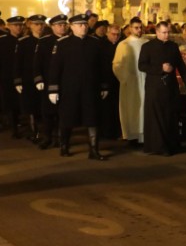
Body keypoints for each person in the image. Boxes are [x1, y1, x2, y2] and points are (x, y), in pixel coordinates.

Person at [47, 14, 112, 160]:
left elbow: (102, 67)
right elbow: (55, 68)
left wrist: (104, 86)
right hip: (70, 88)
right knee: (67, 117)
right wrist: (53, 89)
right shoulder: (62, 43)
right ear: (72, 27)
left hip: (91, 88)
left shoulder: (95, 43)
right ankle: (64, 146)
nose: (83, 27)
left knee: (92, 118)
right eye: (80, 25)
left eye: (85, 24)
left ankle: (94, 150)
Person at [138, 21, 186, 156]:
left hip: (170, 87)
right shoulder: (147, 47)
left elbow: (181, 66)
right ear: (157, 32)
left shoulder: (173, 47)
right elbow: (142, 66)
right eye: (164, 32)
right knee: (157, 118)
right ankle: (158, 146)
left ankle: (171, 145)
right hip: (155, 87)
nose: (166, 35)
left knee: (170, 116)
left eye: (168, 32)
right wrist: (160, 69)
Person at [33, 14, 69, 150]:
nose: (62, 27)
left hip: (66, 82)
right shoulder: (44, 41)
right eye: (59, 25)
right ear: (53, 27)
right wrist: (38, 79)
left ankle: (61, 139)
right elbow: (37, 63)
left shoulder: (70, 40)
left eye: (64, 24)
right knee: (48, 112)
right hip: (49, 81)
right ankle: (47, 137)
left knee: (64, 113)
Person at [113, 17, 148, 145]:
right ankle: (132, 135)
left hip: (145, 80)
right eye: (136, 28)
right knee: (132, 108)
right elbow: (117, 64)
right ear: (130, 28)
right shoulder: (124, 44)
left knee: (144, 108)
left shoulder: (146, 42)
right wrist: (125, 78)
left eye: (140, 27)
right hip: (131, 83)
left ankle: (144, 135)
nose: (139, 30)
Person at [14, 15, 47, 143]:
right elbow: (17, 63)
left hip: (43, 78)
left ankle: (45, 131)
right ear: (30, 25)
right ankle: (35, 132)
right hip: (28, 78)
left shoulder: (47, 41)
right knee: (31, 107)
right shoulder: (23, 42)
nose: (39, 27)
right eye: (36, 24)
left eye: (41, 24)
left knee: (42, 106)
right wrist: (17, 80)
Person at [0, 16, 25, 137]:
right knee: (11, 103)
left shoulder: (25, 40)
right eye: (16, 25)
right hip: (7, 75)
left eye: (20, 25)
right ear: (9, 27)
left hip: (22, 76)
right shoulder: (3, 41)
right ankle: (14, 128)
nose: (19, 28)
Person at [99, 24, 123, 143]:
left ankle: (118, 131)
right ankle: (107, 132)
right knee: (107, 109)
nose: (116, 36)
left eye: (118, 34)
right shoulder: (101, 46)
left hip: (119, 81)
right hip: (106, 81)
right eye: (113, 34)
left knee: (118, 108)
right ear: (107, 33)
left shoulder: (122, 44)